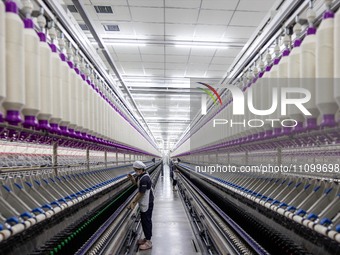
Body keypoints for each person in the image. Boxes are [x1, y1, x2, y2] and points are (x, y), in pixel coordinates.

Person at [127, 161, 154, 250]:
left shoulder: (145, 179)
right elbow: (136, 184)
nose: (135, 171)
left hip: (147, 202)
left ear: (140, 169)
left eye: (135, 170)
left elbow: (141, 193)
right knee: (144, 221)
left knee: (147, 221)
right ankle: (146, 239)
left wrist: (133, 202)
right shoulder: (141, 175)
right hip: (144, 202)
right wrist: (131, 179)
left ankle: (149, 242)